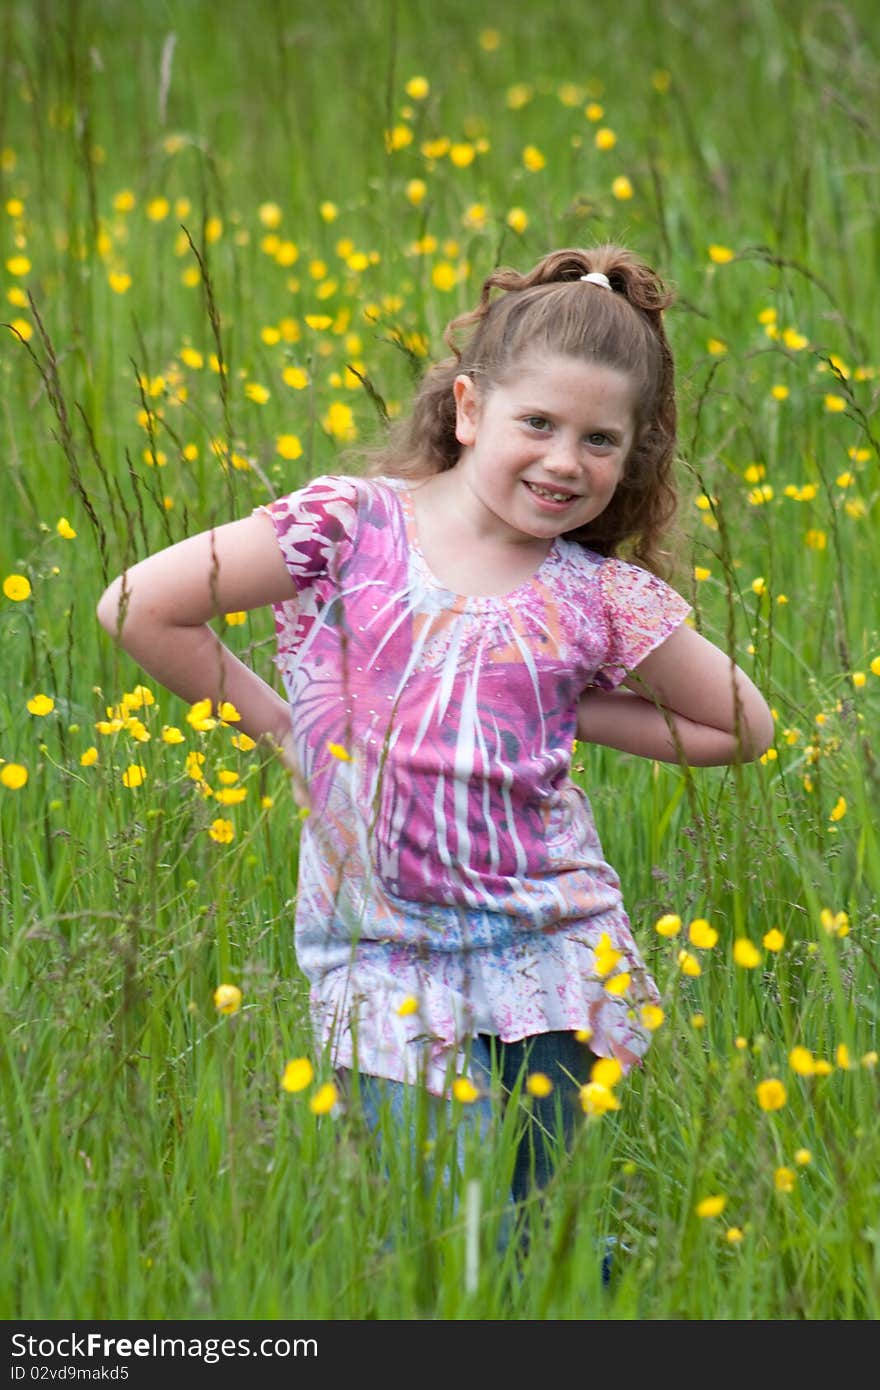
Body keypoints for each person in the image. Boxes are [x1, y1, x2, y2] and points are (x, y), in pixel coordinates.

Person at [97, 244, 773, 1232]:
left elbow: (740, 725)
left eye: (599, 439)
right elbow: (139, 606)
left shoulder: (597, 596)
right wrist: (289, 732)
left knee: (538, 1242)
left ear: (631, 459)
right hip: (378, 959)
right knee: (439, 1241)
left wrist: (563, 706)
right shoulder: (348, 528)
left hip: (551, 960)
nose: (561, 459)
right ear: (467, 410)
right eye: (536, 422)